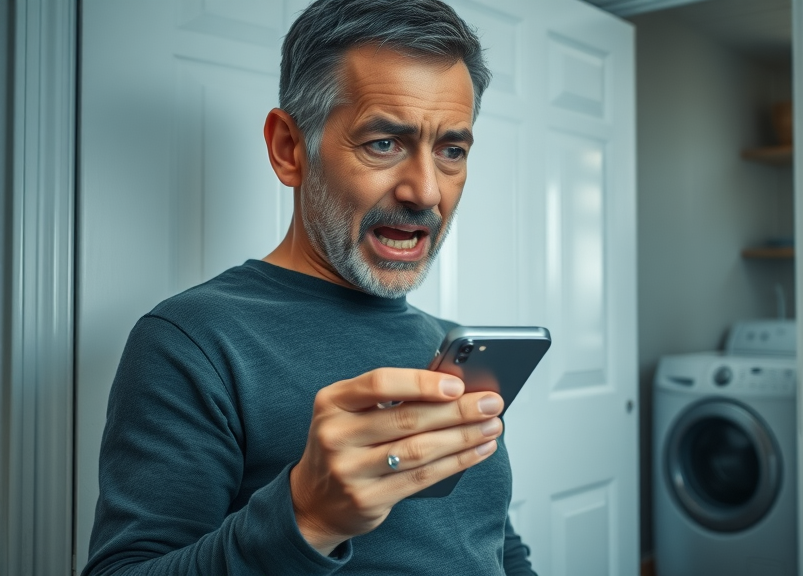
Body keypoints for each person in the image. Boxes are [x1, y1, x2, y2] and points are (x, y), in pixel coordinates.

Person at [83, 1, 537, 574]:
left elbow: (493, 542)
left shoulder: (450, 347)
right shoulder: (191, 342)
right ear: (289, 149)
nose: (425, 191)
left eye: (451, 150)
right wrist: (307, 518)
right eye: (383, 143)